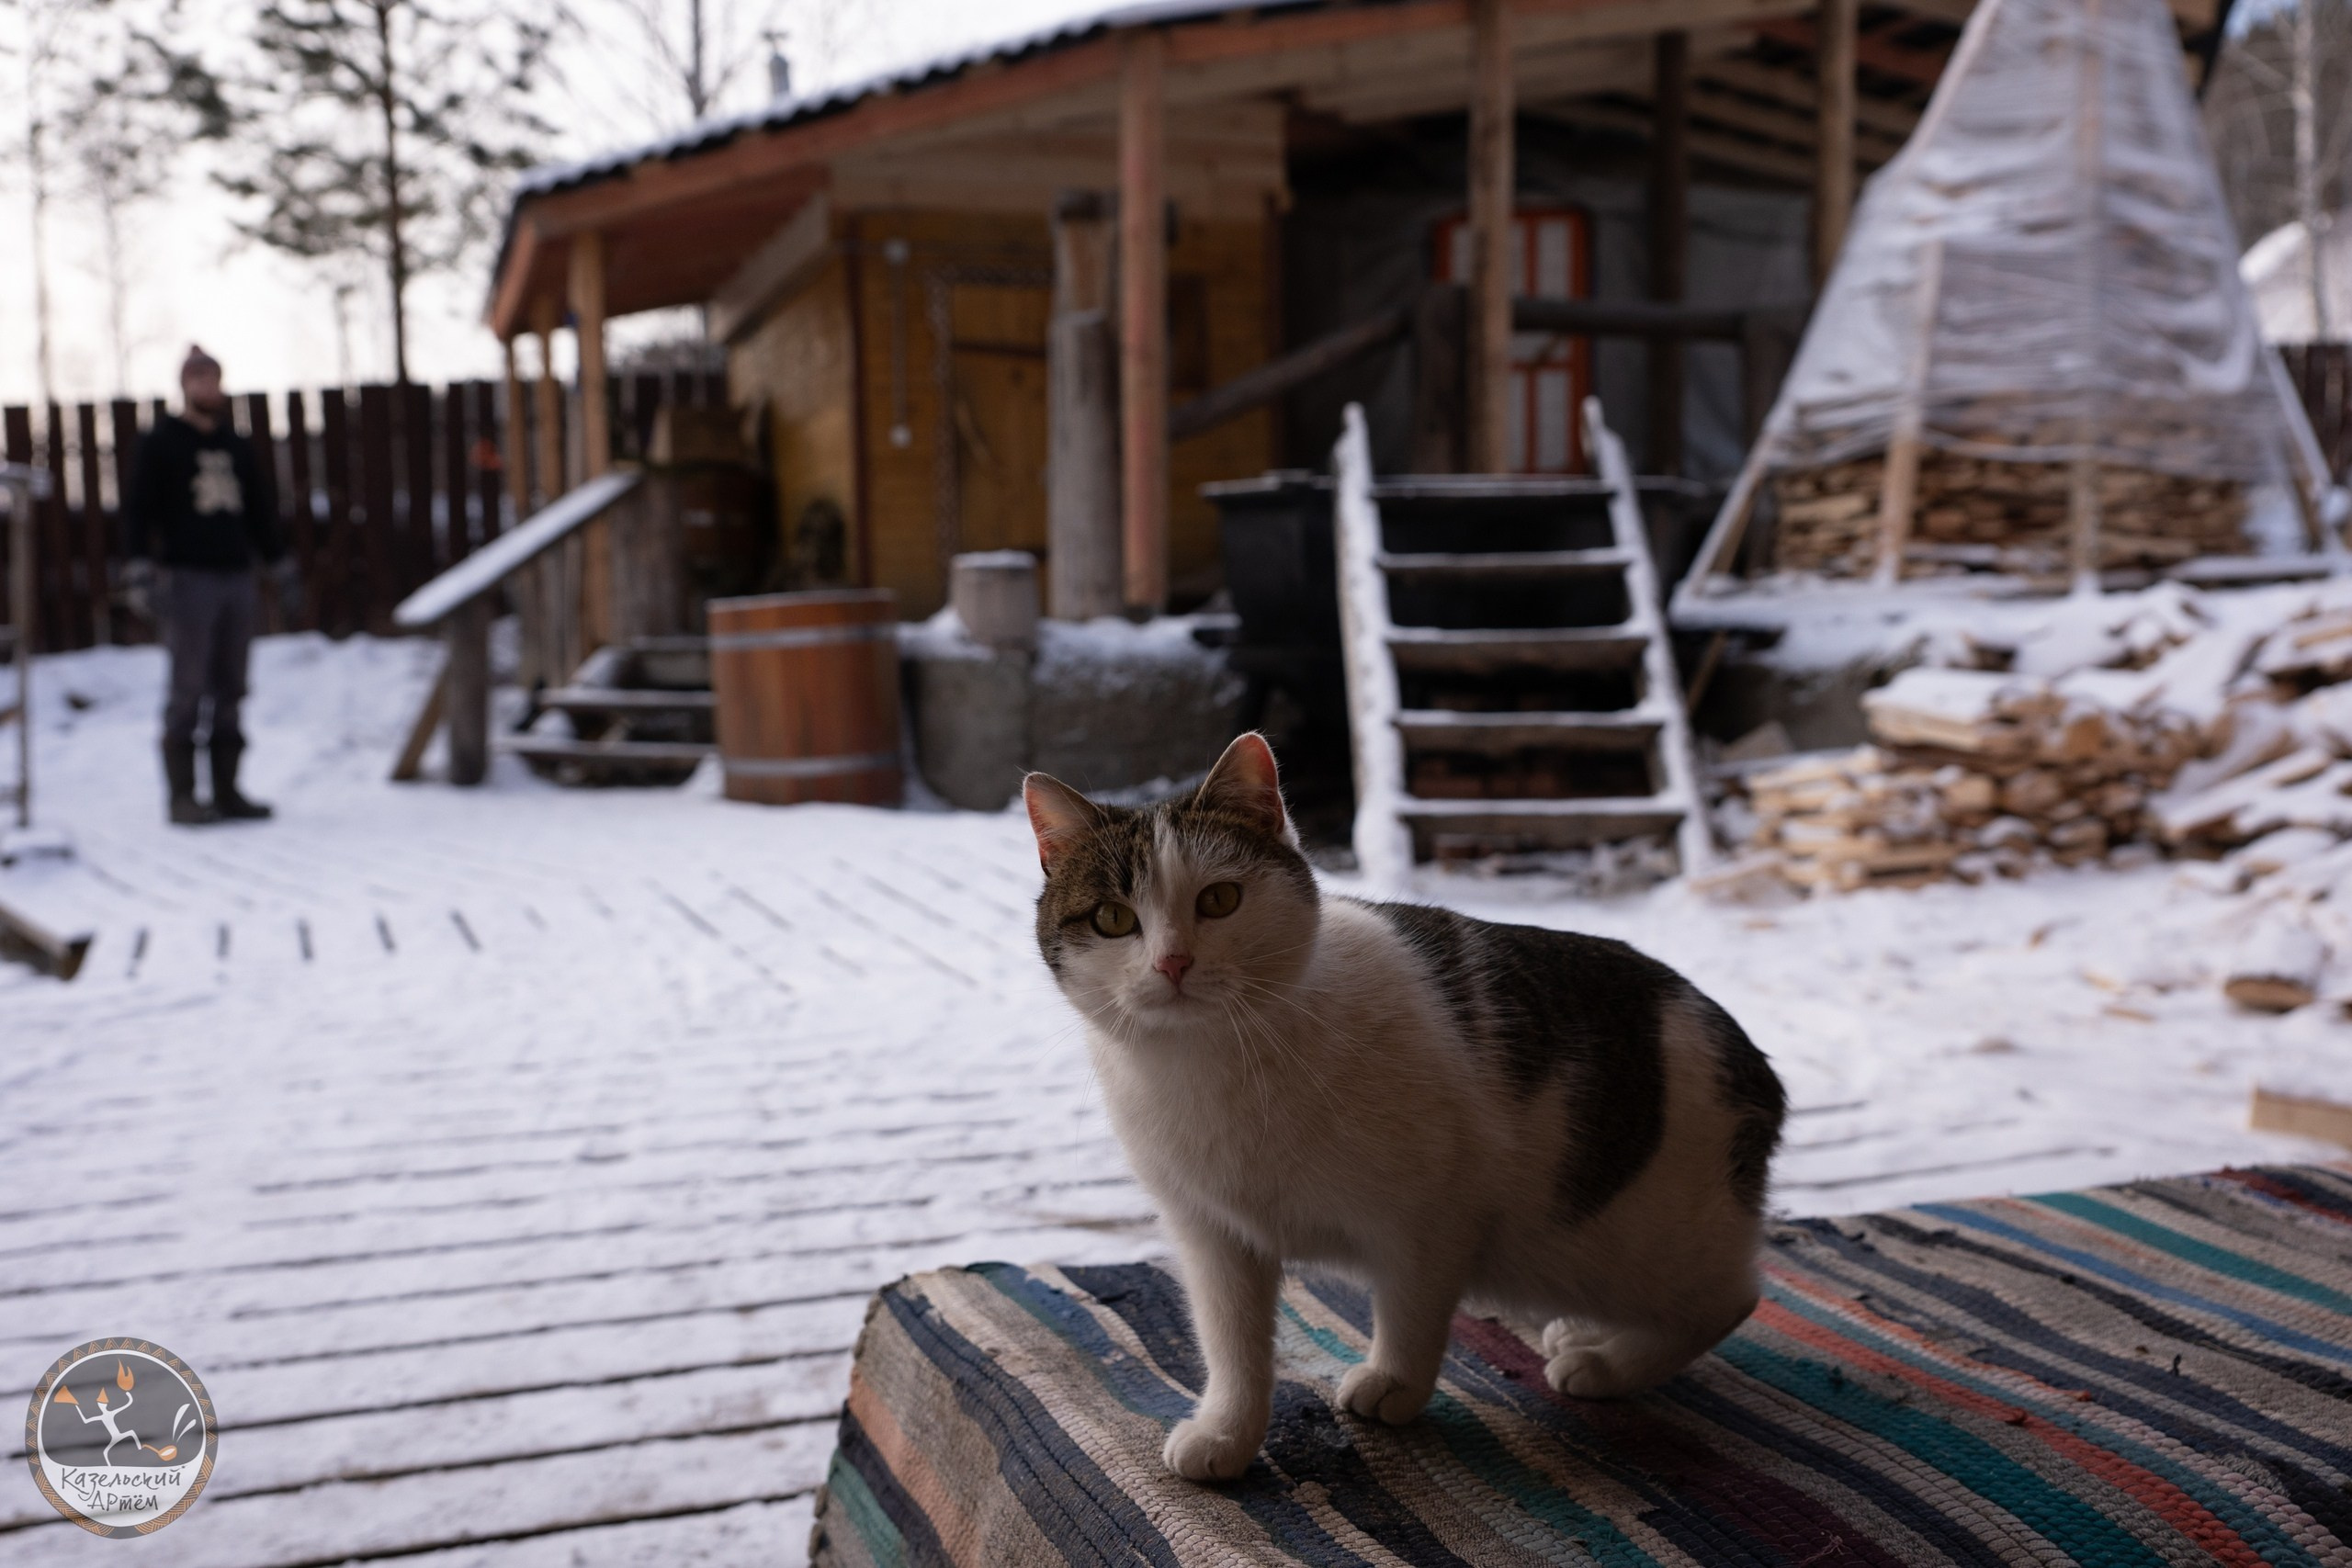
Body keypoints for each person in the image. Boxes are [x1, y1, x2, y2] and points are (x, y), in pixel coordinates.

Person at [124, 346, 297, 826]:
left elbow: (260, 510)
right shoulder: (162, 442)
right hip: (188, 578)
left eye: (214, 378)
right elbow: (138, 508)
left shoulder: (235, 445)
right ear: (184, 384)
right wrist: (139, 566)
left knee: (232, 685)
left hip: (236, 576)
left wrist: (278, 563)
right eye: (198, 378)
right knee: (189, 685)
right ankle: (182, 797)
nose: (208, 387)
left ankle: (227, 791)